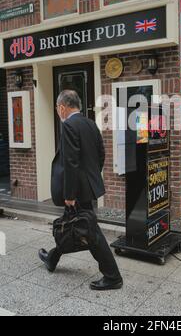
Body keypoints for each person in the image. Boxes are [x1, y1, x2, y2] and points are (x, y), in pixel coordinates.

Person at [38, 90, 123, 291]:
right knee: (73, 224)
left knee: (89, 230)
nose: (59, 112)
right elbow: (101, 154)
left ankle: (113, 276)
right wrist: (91, 177)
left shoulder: (68, 125)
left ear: (62, 107)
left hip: (76, 191)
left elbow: (70, 162)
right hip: (88, 186)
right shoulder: (91, 124)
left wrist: (69, 194)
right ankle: (52, 257)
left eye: (58, 109)